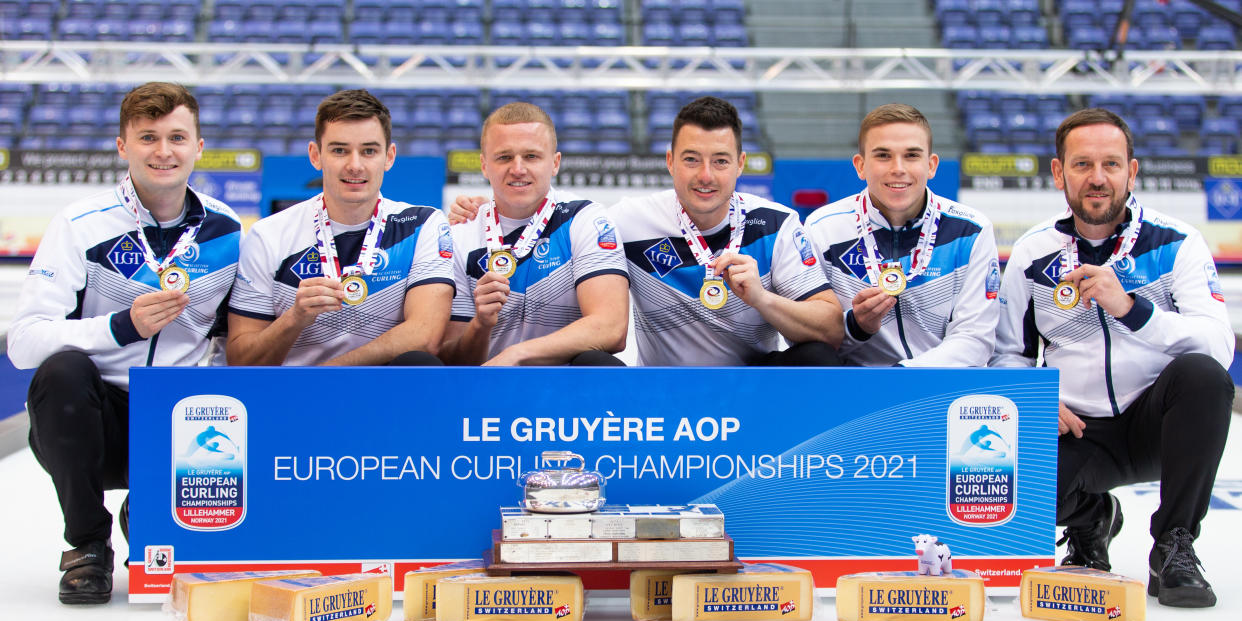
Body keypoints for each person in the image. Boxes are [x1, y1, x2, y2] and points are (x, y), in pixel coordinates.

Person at [7, 82, 242, 604]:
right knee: (61, 371)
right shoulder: (79, 225)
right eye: (148, 137)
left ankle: (152, 506)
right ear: (122, 146)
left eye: (177, 137)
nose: (164, 152)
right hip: (93, 421)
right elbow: (22, 343)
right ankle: (87, 544)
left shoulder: (227, 230)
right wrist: (119, 327)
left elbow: (230, 339)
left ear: (199, 146)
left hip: (176, 424)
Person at [991, 108, 1234, 608]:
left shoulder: (1177, 243)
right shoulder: (1033, 253)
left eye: (1111, 164)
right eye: (1082, 165)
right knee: (1000, 492)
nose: (1097, 179)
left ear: (1132, 171)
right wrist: (1037, 399)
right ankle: (1092, 518)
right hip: (1078, 428)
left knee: (1203, 377)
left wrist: (1131, 309)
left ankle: (1173, 546)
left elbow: (1218, 348)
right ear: (1059, 173)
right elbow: (1006, 353)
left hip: (1157, 423)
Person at [452, 96, 842, 366]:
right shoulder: (625, 220)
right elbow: (542, 216)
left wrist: (762, 299)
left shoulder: (777, 223)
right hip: (661, 388)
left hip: (752, 380)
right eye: (691, 159)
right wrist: (484, 210)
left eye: (720, 161)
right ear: (670, 161)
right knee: (597, 364)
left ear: (741, 164)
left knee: (818, 358)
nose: (705, 176)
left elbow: (830, 329)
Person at [227, 89, 454, 366]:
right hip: (294, 400)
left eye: (369, 151)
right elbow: (240, 362)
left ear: (389, 156)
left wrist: (329, 375)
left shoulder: (422, 225)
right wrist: (294, 318)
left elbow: (425, 336)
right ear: (315, 155)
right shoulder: (269, 235)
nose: (354, 165)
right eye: (339, 150)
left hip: (382, 398)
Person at [803, 103, 999, 366]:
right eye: (883, 155)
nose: (898, 168)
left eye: (911, 155)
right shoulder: (823, 229)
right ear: (860, 166)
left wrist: (902, 378)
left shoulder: (971, 230)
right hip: (853, 390)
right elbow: (807, 340)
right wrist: (856, 325)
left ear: (931, 165)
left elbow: (975, 339)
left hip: (940, 391)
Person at [438, 102, 629, 365]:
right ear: (484, 165)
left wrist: (517, 354)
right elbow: (450, 359)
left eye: (531, 156)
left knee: (600, 364)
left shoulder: (584, 219)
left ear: (555, 163)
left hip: (563, 390)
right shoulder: (459, 233)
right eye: (504, 157)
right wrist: (480, 325)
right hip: (486, 388)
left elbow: (611, 328)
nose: (518, 169)